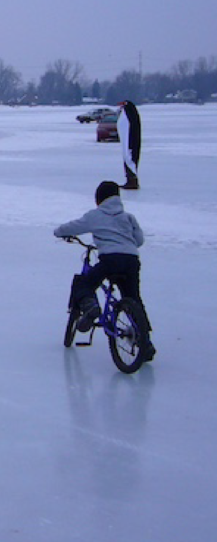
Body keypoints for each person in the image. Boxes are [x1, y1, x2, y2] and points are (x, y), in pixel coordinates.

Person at [53, 180, 155, 361]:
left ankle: (90, 306)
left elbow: (73, 227)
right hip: (131, 260)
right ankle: (145, 343)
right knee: (133, 298)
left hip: (110, 260)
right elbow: (138, 240)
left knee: (84, 283)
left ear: (99, 199)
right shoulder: (128, 217)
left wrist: (59, 232)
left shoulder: (95, 215)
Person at [117, 100, 141, 189]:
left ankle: (132, 180)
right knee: (128, 158)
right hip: (129, 142)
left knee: (129, 158)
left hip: (130, 144)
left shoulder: (129, 115)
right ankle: (130, 179)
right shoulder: (131, 115)